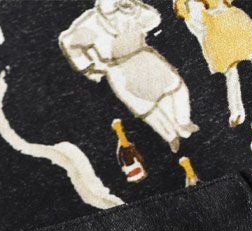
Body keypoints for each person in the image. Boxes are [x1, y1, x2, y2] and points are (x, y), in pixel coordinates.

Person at [59, 0, 198, 152]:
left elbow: (154, 20)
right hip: (119, 69)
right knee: (147, 109)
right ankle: (170, 136)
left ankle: (183, 122)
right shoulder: (90, 22)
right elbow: (69, 43)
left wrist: (135, 9)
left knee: (176, 89)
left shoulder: (130, 9)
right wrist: (89, 68)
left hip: (144, 57)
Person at [174, 0, 252, 127]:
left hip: (231, 26)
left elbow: (222, 5)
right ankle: (236, 112)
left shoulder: (194, 5)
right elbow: (199, 28)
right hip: (219, 38)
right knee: (232, 74)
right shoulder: (186, 9)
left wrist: (219, 11)